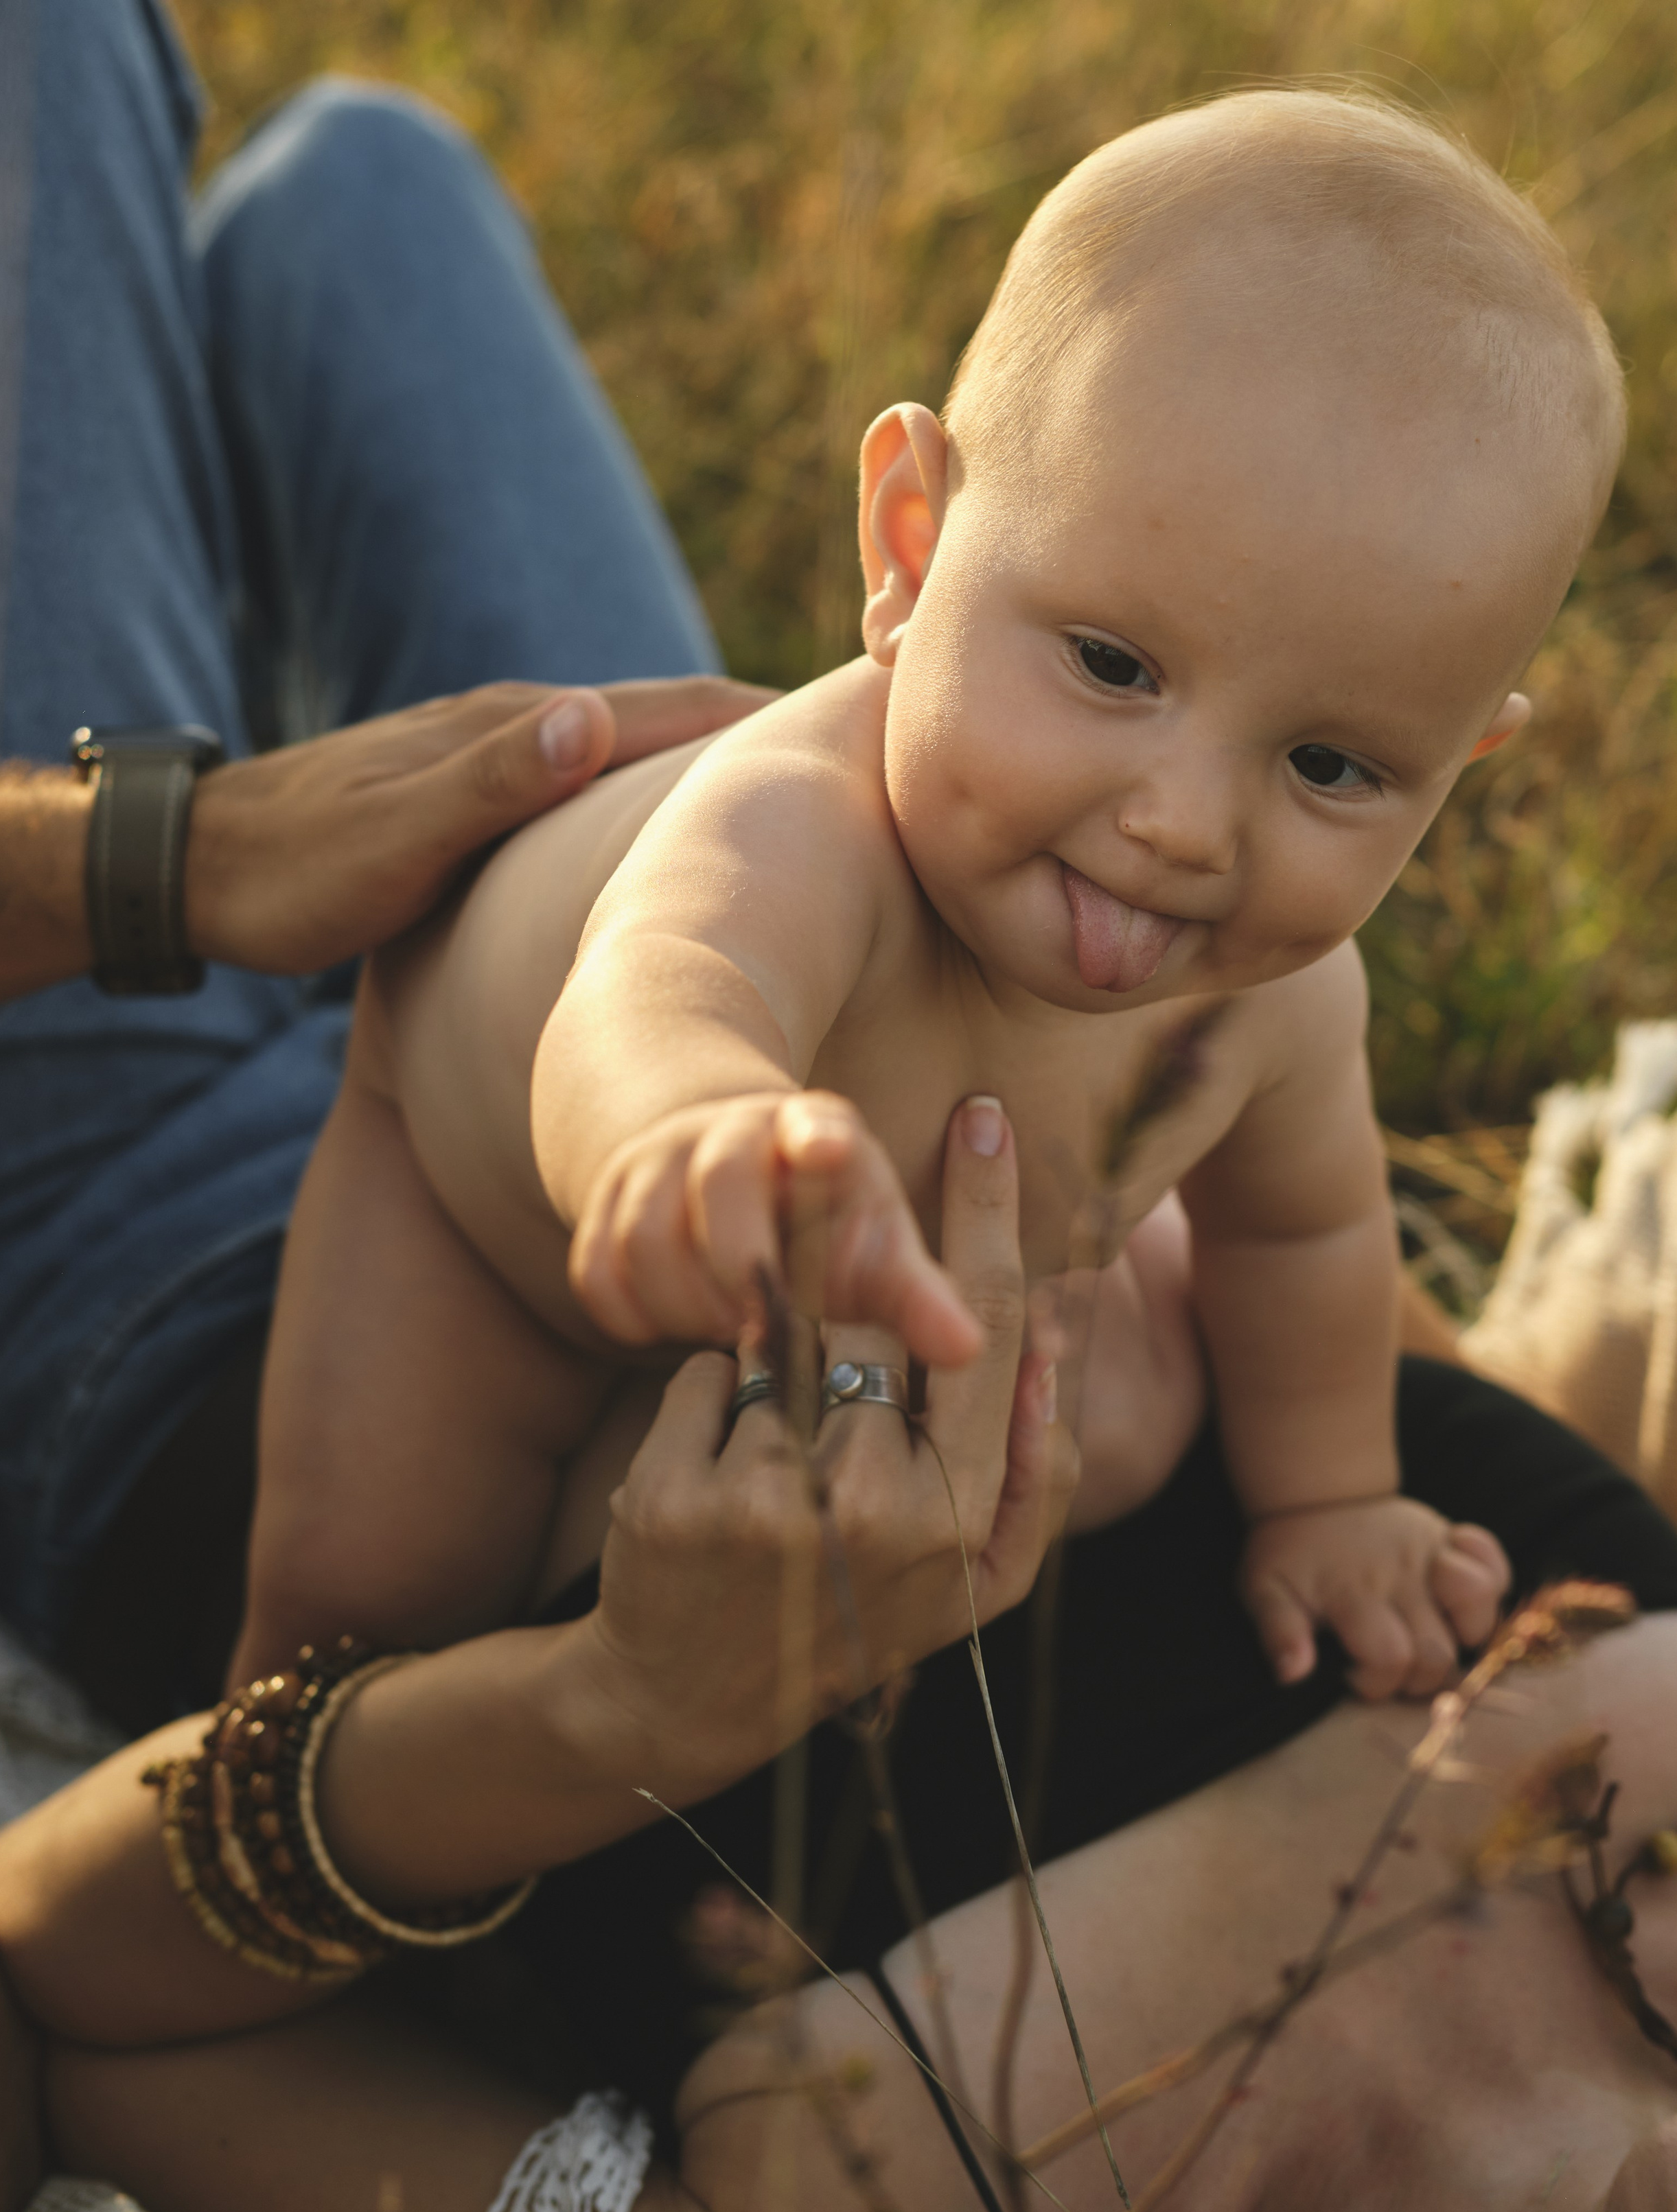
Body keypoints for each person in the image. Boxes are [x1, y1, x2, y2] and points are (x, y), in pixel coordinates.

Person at [227, 87, 1621, 1702]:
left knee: (1125, 1414)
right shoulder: (807, 818)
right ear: (910, 541)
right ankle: (264, 1819)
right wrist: (687, 1128)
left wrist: (1329, 1497)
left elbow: (1303, 1234)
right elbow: (658, 984)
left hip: (817, 1284)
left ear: (1460, 759)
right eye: (1111, 666)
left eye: (1330, 766)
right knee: (368, 1598)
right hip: (478, 1219)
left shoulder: (1283, 996)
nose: (1180, 826)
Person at [0, 1115, 1677, 2212]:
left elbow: (70, 1986)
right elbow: (1320, 1295)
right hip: (676, 1040)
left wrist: (615, 1704)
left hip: (127, 1298)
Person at [0, 0, 772, 1730]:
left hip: (130, 1264)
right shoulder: (1423, 1576)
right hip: (527, 1068)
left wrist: (184, 852)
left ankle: (181, 705)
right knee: (359, 186)